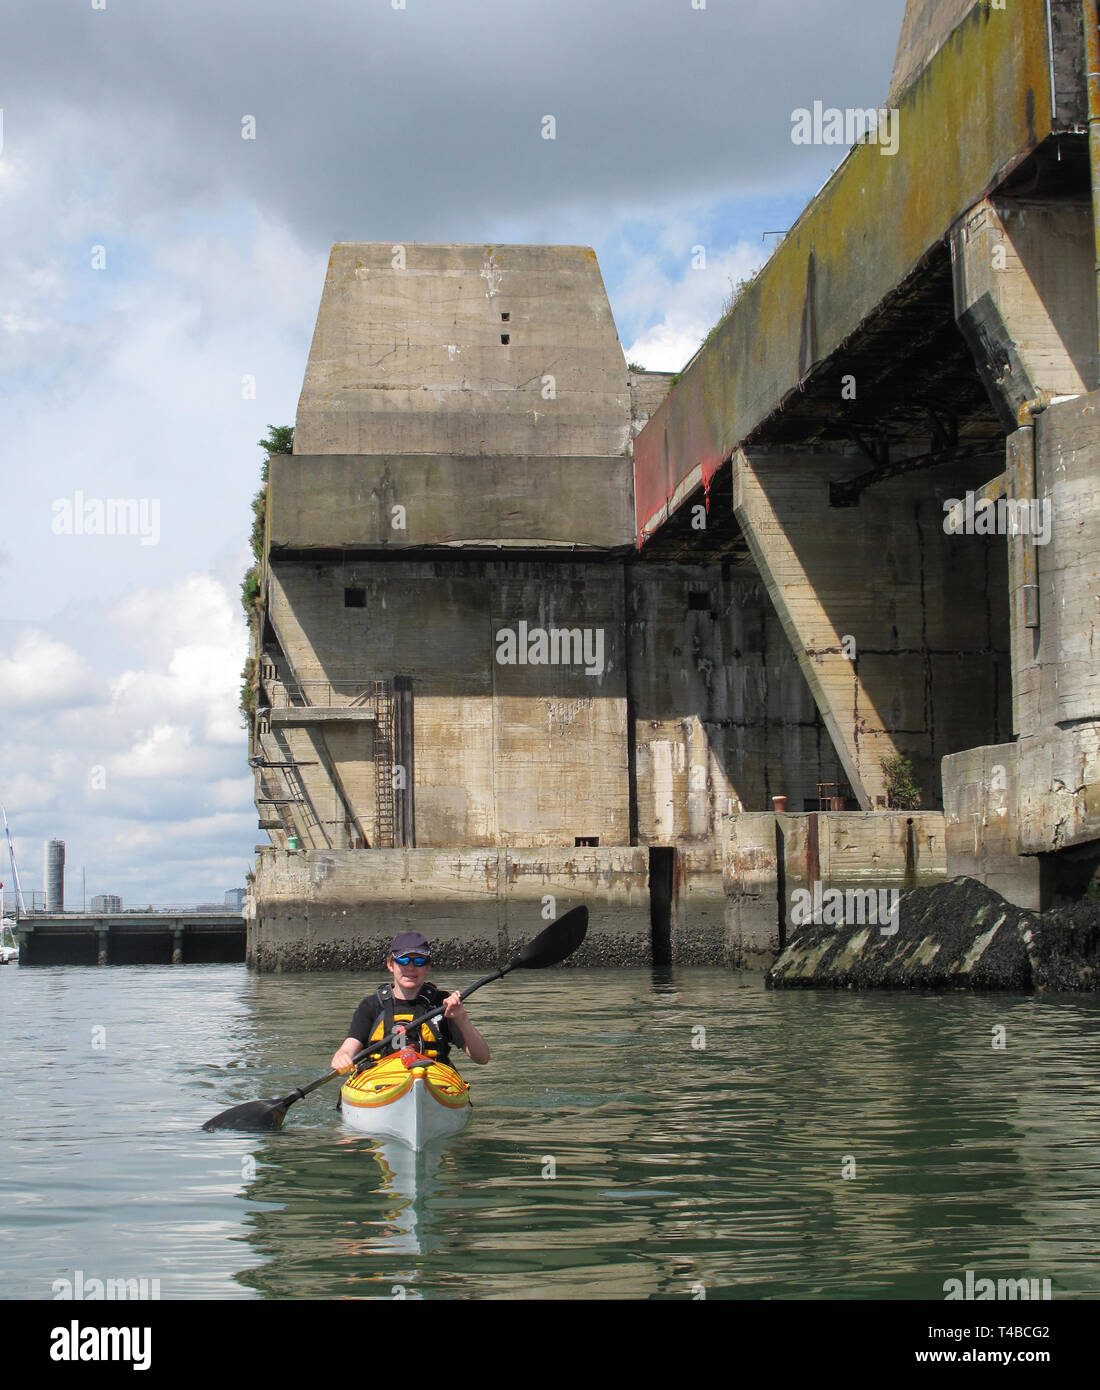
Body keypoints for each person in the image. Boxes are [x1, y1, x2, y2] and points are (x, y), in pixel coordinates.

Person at [330, 931, 491, 1073]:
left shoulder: (443, 1004)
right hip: (381, 1081)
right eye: (403, 960)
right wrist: (342, 1058)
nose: (411, 968)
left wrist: (462, 1020)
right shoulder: (371, 1006)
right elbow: (346, 1050)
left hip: (431, 1079)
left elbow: (482, 1057)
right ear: (390, 965)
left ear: (428, 967)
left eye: (419, 961)